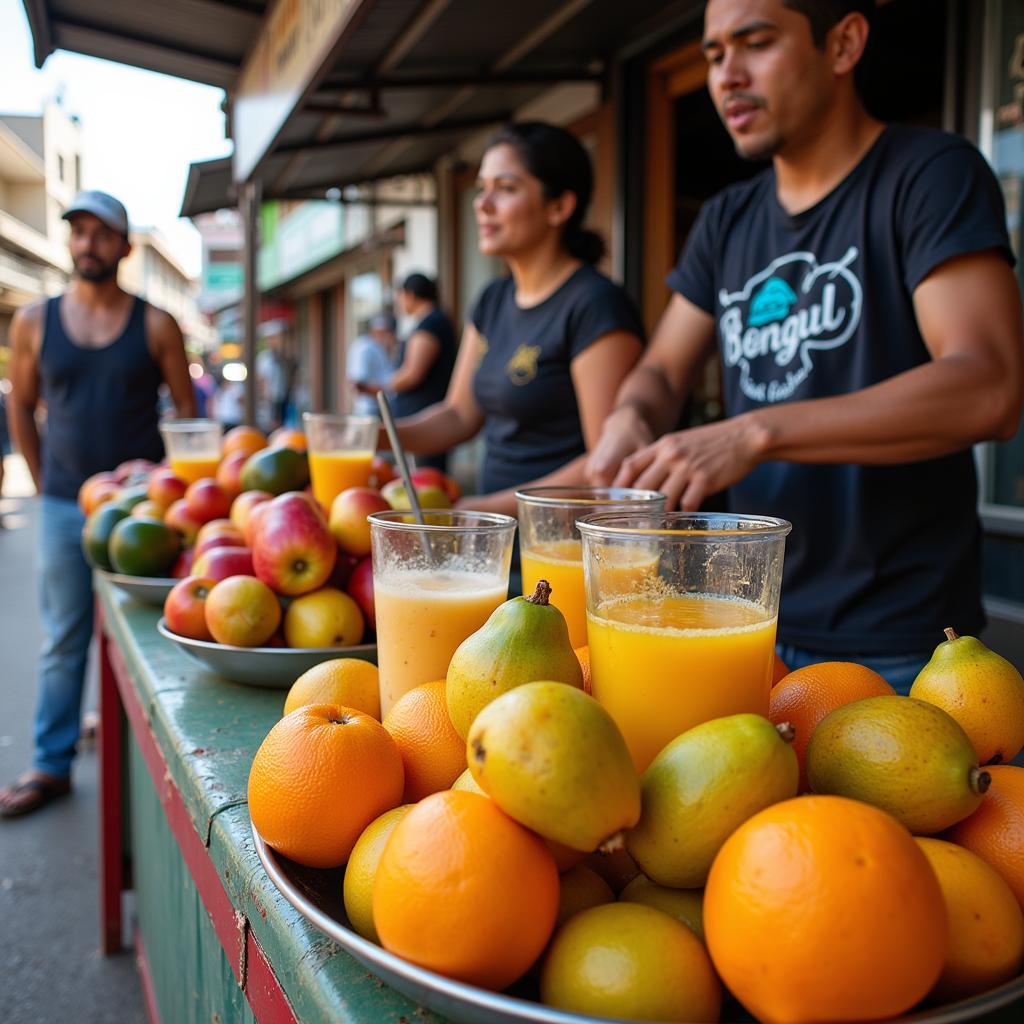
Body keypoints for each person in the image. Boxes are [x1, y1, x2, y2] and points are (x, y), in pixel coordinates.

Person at [586, 0, 1024, 691]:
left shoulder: (928, 173)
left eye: (755, 43)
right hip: (741, 616)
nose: (727, 75)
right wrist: (631, 416)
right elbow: (663, 369)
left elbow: (987, 385)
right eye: (712, 54)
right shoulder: (727, 220)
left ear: (844, 43)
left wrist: (754, 432)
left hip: (903, 639)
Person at [0, 190, 195, 818]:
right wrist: (43, 479)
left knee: (147, 641)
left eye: (101, 233)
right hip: (62, 505)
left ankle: (153, 771)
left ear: (124, 246)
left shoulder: (157, 324)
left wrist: (169, 487)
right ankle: (49, 765)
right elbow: (21, 408)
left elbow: (189, 424)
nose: (88, 243)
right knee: (63, 638)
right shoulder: (34, 321)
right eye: (78, 231)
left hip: (142, 515)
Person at [390, 122, 644, 514]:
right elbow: (458, 415)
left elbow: (606, 465)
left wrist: (489, 509)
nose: (482, 203)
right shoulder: (492, 299)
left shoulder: (595, 304)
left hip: (561, 550)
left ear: (559, 206)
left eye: (505, 188)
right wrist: (368, 435)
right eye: (482, 187)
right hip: (496, 543)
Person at [365, 273, 457, 472]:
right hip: (425, 414)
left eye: (400, 296)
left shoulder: (430, 324)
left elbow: (413, 372)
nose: (399, 302)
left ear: (410, 295)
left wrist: (383, 387)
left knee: (424, 478)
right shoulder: (435, 321)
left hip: (423, 416)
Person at [348, 313, 396, 417]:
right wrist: (385, 393)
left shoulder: (381, 346)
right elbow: (358, 384)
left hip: (384, 407)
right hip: (370, 409)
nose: (386, 335)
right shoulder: (364, 347)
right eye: (382, 332)